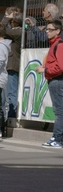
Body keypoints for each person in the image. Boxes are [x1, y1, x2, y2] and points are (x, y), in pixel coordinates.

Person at [35, 20, 63, 148]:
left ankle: (57, 138)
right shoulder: (55, 44)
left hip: (57, 81)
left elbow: (60, 67)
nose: (47, 31)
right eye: (46, 29)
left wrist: (45, 70)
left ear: (58, 31)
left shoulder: (59, 45)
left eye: (50, 29)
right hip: (55, 80)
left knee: (59, 111)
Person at [4, 12, 23, 124]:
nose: (10, 24)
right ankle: (9, 114)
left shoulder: (18, 31)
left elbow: (1, 30)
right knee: (8, 92)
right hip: (9, 64)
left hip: (12, 64)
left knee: (12, 92)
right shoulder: (17, 31)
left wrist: (6, 18)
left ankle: (12, 115)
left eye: (11, 21)